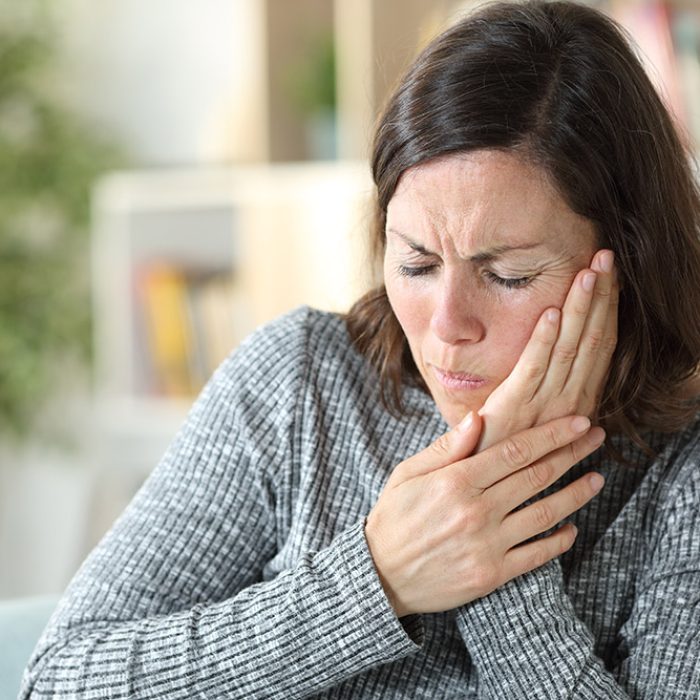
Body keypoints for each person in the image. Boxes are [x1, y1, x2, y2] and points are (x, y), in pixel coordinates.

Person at [20, 1, 700, 697]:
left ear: (630, 262)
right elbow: (61, 681)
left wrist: (491, 542)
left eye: (509, 276)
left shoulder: (683, 470)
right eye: (416, 263)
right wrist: (375, 579)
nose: (447, 323)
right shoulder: (297, 382)